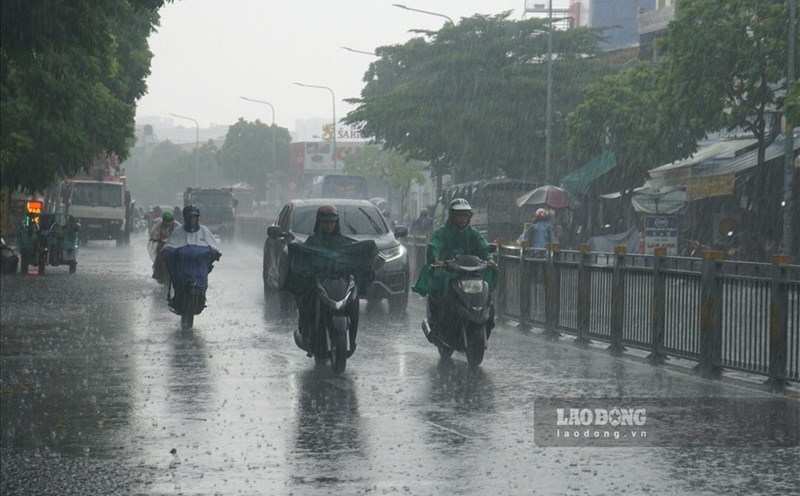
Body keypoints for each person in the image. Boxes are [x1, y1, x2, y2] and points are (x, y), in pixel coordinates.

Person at [288, 205, 376, 356]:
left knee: (353, 298)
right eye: (325, 222)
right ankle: (307, 332)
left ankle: (352, 339)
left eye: (332, 222)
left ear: (336, 223)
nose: (329, 225)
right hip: (318, 284)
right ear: (319, 223)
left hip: (339, 284)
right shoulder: (312, 242)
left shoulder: (343, 243)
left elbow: (353, 254)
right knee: (306, 297)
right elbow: (302, 260)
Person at [412, 198, 497, 328]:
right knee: (440, 290)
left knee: (485, 292)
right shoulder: (442, 232)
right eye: (459, 215)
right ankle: (438, 319)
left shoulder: (473, 233)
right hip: (448, 272)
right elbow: (435, 245)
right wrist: (436, 259)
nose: (463, 218)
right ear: (452, 216)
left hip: (470, 273)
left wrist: (489, 259)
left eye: (465, 215)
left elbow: (483, 246)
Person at [149, 210, 181, 282]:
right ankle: (157, 271)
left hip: (175, 246)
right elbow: (154, 234)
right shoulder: (159, 225)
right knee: (159, 256)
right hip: (162, 245)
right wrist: (155, 238)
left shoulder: (177, 225)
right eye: (166, 221)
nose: (167, 223)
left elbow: (182, 235)